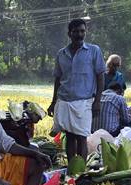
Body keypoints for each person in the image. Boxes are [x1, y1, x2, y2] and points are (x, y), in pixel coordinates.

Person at [48, 19, 106, 162]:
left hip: (84, 102)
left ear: (85, 32)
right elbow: (58, 79)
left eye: (82, 31)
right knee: (69, 136)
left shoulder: (94, 51)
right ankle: (71, 168)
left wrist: (97, 101)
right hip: (65, 101)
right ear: (69, 34)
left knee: (81, 137)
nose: (79, 34)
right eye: (76, 31)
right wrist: (53, 102)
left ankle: (81, 170)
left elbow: (100, 77)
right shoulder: (62, 54)